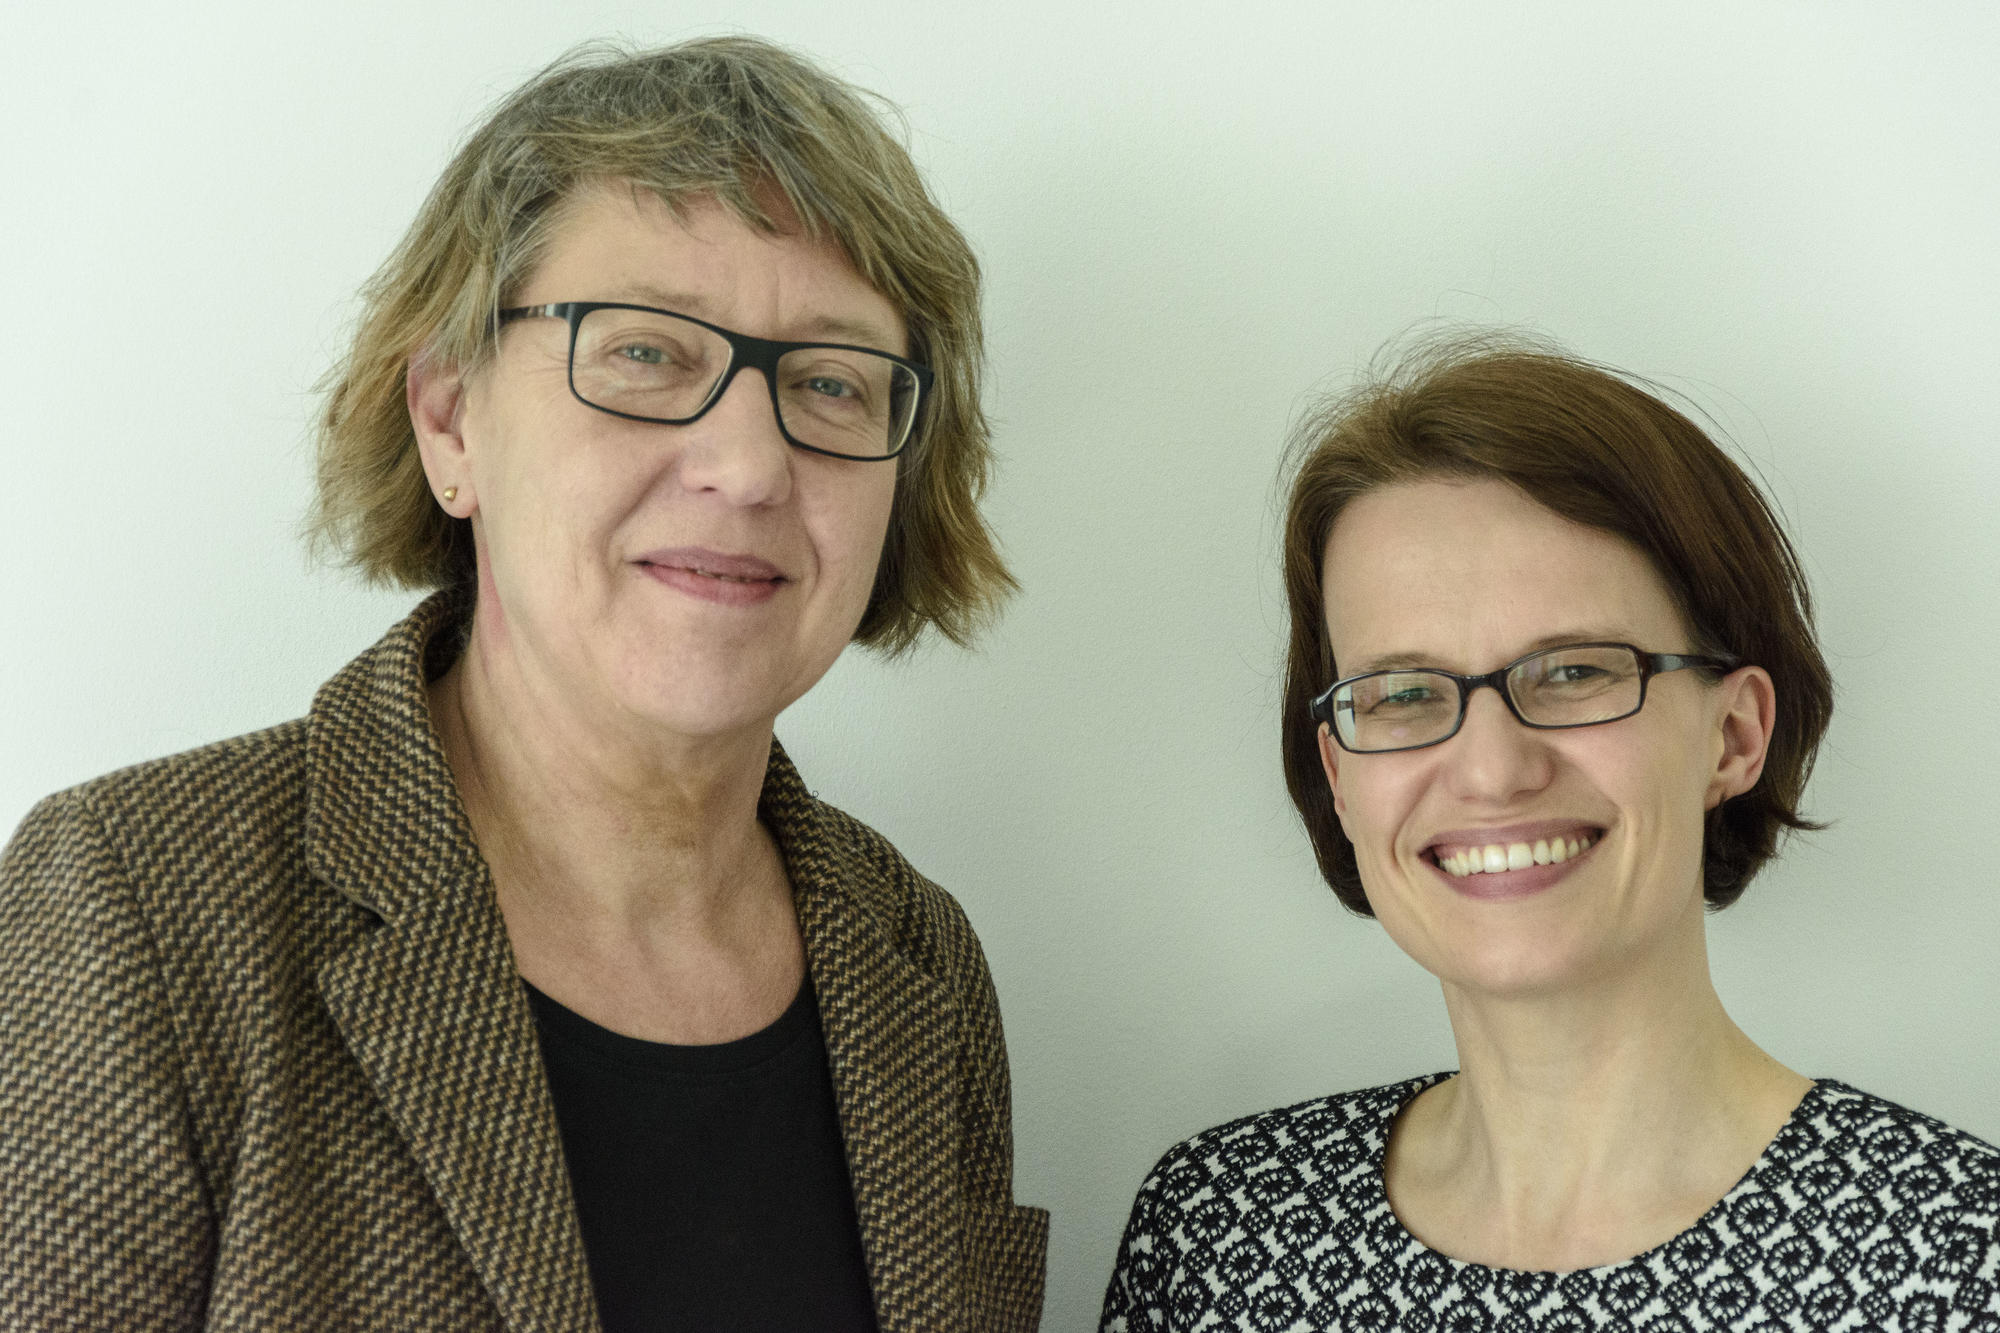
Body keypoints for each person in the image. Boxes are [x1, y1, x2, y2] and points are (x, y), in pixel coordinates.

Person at [0, 37, 1046, 1332]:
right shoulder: (139, 905)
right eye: (647, 353)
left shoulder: (922, 961)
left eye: (830, 382)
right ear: (449, 421)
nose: (749, 464)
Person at [1101, 338, 2000, 1330]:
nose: (1490, 768)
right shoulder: (1221, 1237)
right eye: (1401, 693)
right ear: (1339, 778)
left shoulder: (1958, 1258)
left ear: (1732, 736)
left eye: (1572, 672)